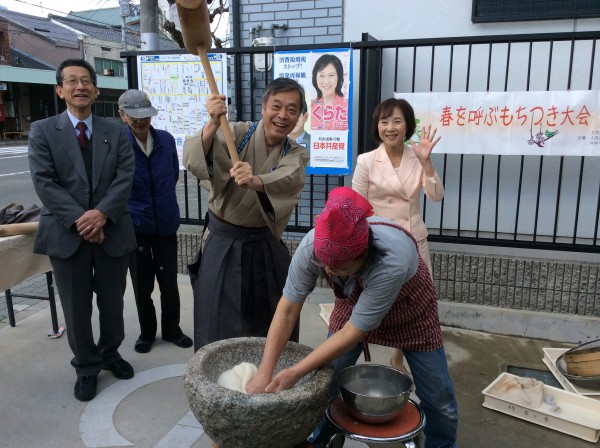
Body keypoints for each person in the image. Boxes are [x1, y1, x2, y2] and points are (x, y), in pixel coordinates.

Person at [246, 187, 459, 448]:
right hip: (353, 302)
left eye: (339, 267)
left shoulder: (391, 260)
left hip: (411, 310)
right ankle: (320, 440)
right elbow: (288, 308)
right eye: (325, 265)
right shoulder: (313, 247)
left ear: (364, 253)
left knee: (438, 394)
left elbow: (353, 332)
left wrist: (295, 372)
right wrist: (265, 371)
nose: (330, 270)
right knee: (326, 381)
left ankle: (443, 444)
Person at [28, 58, 136, 401]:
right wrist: (83, 220)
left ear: (96, 88)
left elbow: (125, 177)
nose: (80, 87)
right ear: (60, 90)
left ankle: (110, 353)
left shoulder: (117, 131)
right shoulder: (43, 130)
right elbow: (45, 183)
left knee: (112, 303)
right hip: (67, 234)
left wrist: (102, 214)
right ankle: (86, 366)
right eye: (72, 81)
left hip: (111, 230)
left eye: (86, 81)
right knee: (75, 308)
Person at [182, 77, 309, 351]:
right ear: (263, 107)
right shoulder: (237, 132)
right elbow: (194, 158)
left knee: (270, 317)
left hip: (264, 245)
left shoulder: (296, 153)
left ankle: (266, 376)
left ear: (299, 116)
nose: (283, 115)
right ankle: (217, 379)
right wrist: (213, 123)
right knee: (217, 318)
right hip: (223, 241)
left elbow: (289, 177)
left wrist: (256, 181)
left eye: (292, 109)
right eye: (277, 106)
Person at [352, 98, 445, 374]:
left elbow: (436, 195)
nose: (390, 127)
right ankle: (355, 349)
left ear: (407, 126)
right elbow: (357, 205)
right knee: (370, 299)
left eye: (396, 121)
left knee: (416, 302)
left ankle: (398, 356)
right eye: (384, 121)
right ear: (377, 127)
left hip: (414, 239)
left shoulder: (417, 157)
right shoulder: (367, 160)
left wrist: (427, 163)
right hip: (379, 242)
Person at [118, 89, 193, 354]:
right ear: (123, 116)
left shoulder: (165, 140)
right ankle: (147, 333)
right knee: (142, 284)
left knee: (169, 282)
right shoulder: (118, 144)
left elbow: (172, 174)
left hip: (164, 223)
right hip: (135, 226)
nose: (140, 121)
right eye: (134, 116)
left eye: (145, 116)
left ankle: (172, 329)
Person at [311, 54, 349, 131]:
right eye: (321, 76)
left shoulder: (347, 105)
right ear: (315, 78)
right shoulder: (310, 106)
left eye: (331, 75)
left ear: (339, 77)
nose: (326, 81)